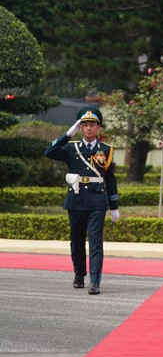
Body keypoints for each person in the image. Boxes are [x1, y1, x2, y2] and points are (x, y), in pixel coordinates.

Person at [44, 106, 120, 295]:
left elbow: (110, 179)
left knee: (96, 242)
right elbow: (49, 151)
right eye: (84, 125)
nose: (88, 128)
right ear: (80, 127)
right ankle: (79, 274)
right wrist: (68, 134)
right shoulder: (71, 148)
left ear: (98, 127)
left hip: (96, 201)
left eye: (92, 124)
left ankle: (95, 280)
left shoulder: (106, 150)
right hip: (76, 200)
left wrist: (114, 206)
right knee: (76, 241)